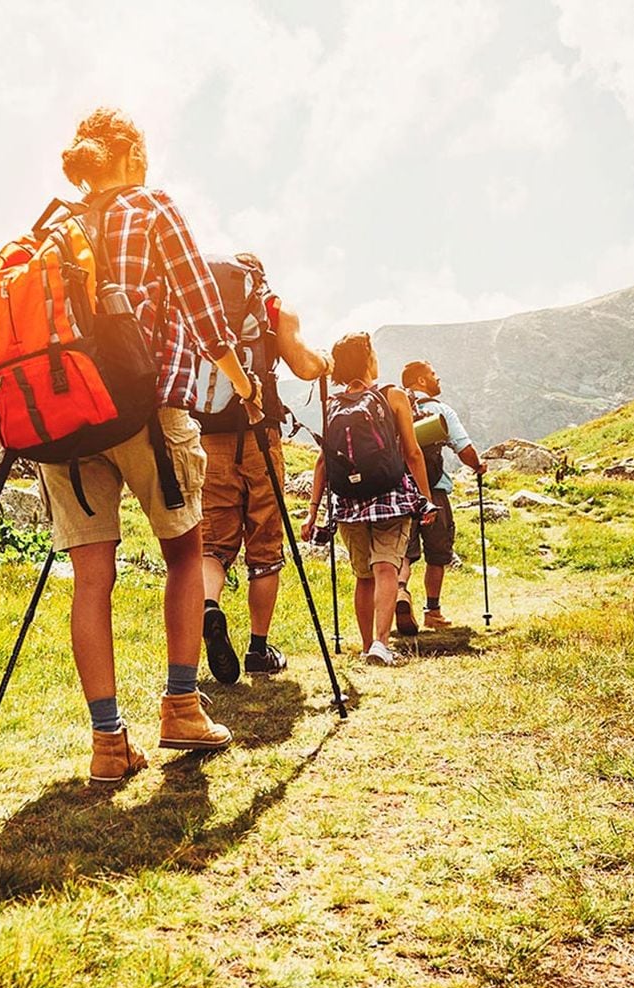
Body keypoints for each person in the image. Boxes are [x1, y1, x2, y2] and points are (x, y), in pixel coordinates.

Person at [38, 107, 258, 782]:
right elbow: (203, 309)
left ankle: (109, 744)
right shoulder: (151, 205)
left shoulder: (52, 227)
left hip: (64, 422)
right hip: (144, 407)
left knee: (91, 579)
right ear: (130, 154)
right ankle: (181, 709)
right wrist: (240, 382)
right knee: (186, 553)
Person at [199, 253, 332, 684]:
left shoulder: (202, 301)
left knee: (212, 544)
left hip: (207, 434)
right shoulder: (273, 307)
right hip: (259, 431)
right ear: (258, 278)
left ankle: (209, 608)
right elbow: (305, 365)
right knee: (265, 543)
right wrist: (325, 361)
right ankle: (259, 648)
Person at [301, 332, 436, 666]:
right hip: (391, 496)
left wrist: (313, 512)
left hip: (347, 502)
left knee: (363, 576)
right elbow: (413, 452)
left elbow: (323, 461)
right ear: (368, 359)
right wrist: (425, 500)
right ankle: (381, 643)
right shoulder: (393, 395)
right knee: (386, 566)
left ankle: (365, 647)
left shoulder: (331, 404)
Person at [395, 360, 487, 634]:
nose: (439, 379)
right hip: (433, 490)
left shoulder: (394, 410)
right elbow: (463, 448)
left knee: (403, 552)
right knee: (438, 552)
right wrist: (478, 466)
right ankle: (432, 611)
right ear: (421, 381)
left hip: (399, 491)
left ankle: (400, 592)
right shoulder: (439, 411)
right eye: (434, 375)